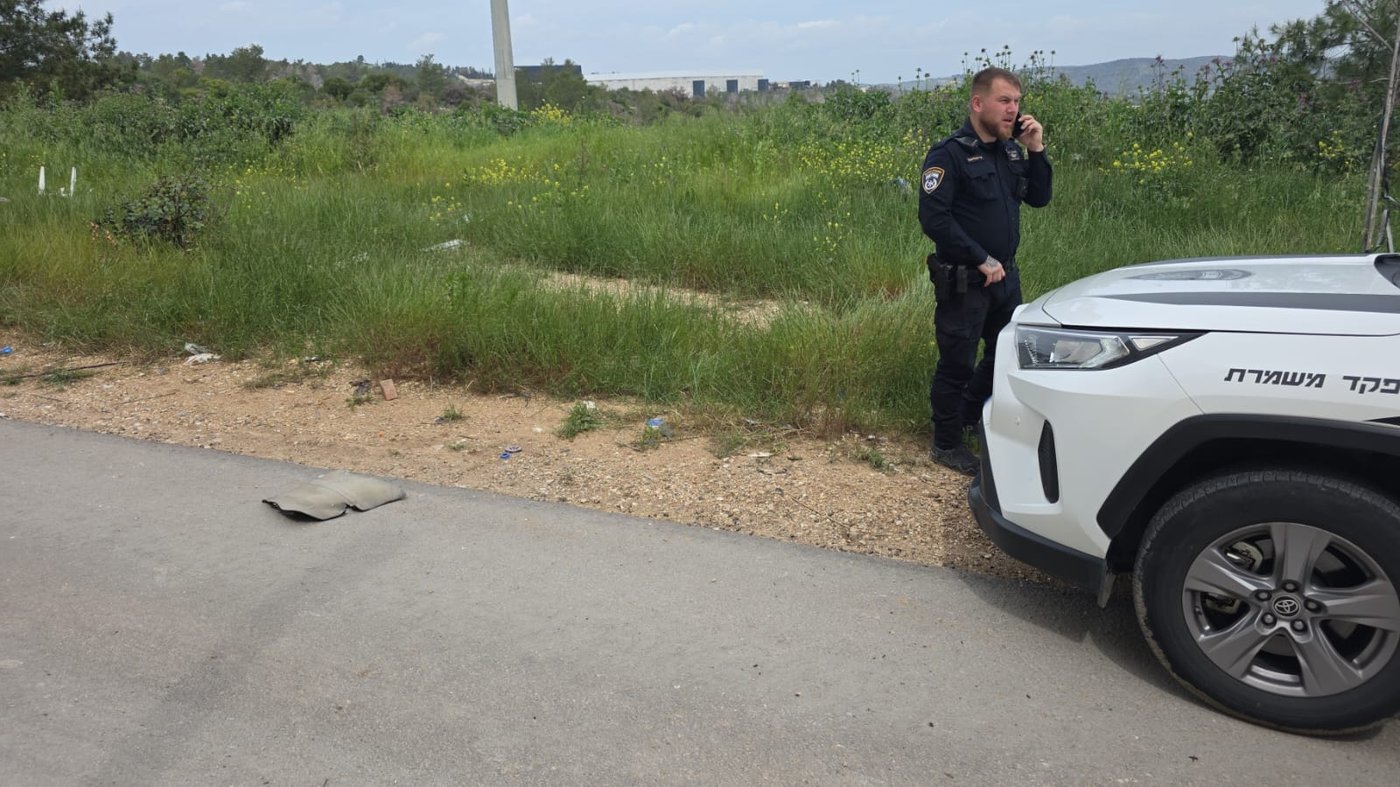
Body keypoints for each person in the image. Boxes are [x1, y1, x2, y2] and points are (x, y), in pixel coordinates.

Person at [918, 67, 1052, 476]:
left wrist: (1037, 150)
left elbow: (1039, 198)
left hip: (1006, 280)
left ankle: (969, 414)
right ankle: (946, 443)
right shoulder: (950, 154)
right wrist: (980, 257)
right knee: (956, 361)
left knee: (1004, 354)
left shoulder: (1010, 152)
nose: (1013, 109)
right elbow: (934, 218)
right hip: (967, 280)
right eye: (1004, 100)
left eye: (1016, 101)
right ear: (978, 104)